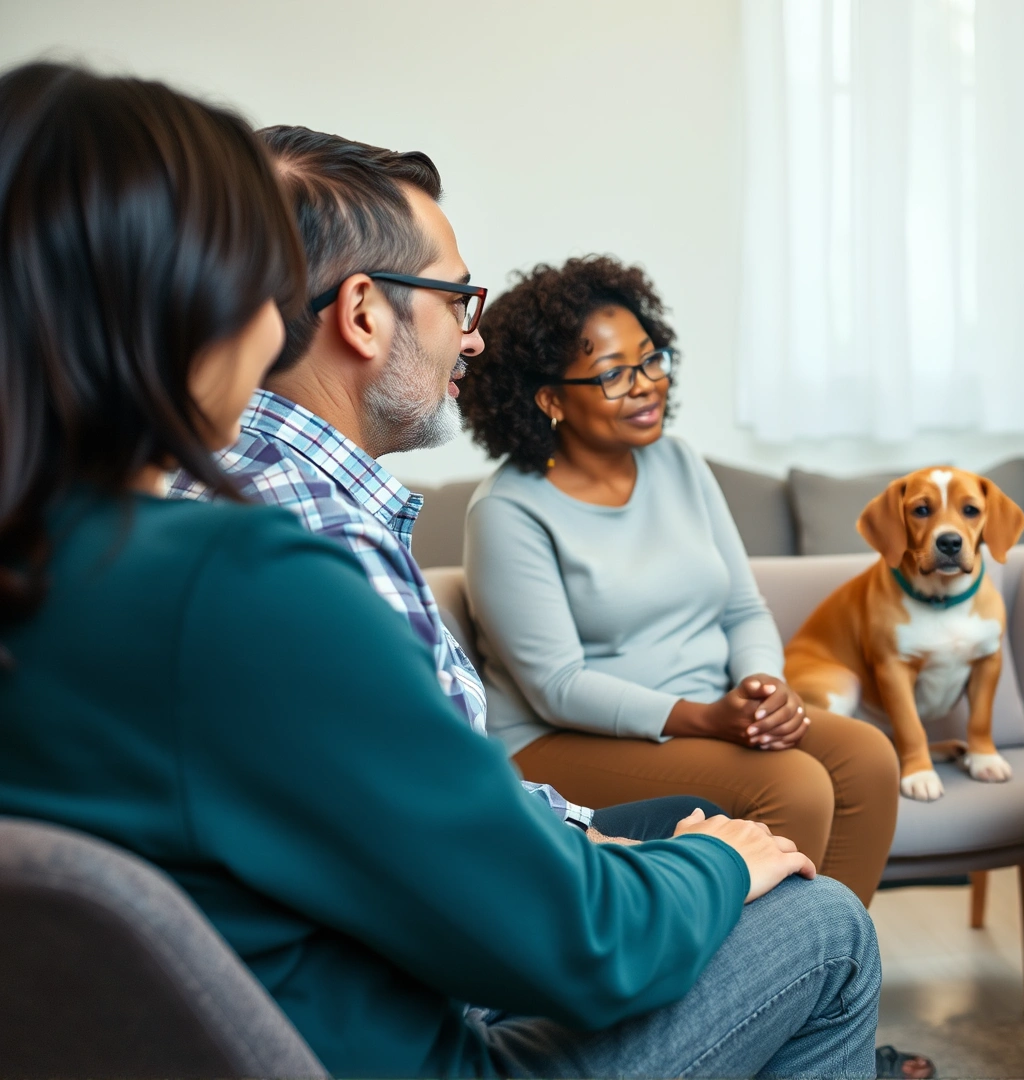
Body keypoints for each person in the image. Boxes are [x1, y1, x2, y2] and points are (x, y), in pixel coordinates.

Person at [0, 61, 878, 1079]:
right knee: (822, 927)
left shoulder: (68, 560)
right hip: (413, 1044)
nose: (272, 314)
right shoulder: (239, 578)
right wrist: (718, 862)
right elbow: (577, 946)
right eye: (250, 275)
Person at [167, 126, 715, 843]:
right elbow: (461, 845)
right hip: (462, 914)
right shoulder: (329, 543)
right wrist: (659, 865)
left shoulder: (190, 484)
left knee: (698, 824)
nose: (473, 338)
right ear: (363, 314)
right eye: (457, 300)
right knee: (815, 913)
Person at [457, 256, 901, 906]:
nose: (644, 385)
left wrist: (763, 686)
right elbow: (557, 687)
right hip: (565, 742)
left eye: (650, 359)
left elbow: (743, 607)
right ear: (549, 398)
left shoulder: (678, 461)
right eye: (612, 374)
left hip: (706, 713)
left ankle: (832, 979)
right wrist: (706, 719)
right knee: (793, 784)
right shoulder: (508, 511)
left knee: (867, 758)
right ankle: (764, 989)